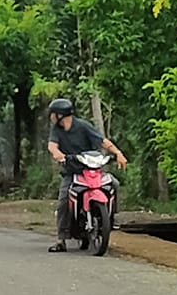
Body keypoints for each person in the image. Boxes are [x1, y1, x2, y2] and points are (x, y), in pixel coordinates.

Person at [45, 98, 129, 253]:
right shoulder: (56, 130)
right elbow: (52, 145)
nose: (51, 117)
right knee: (64, 201)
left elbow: (102, 141)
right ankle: (61, 240)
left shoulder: (83, 126)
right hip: (72, 172)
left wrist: (118, 153)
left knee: (114, 184)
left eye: (53, 114)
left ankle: (111, 218)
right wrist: (58, 155)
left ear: (60, 115)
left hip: (91, 170)